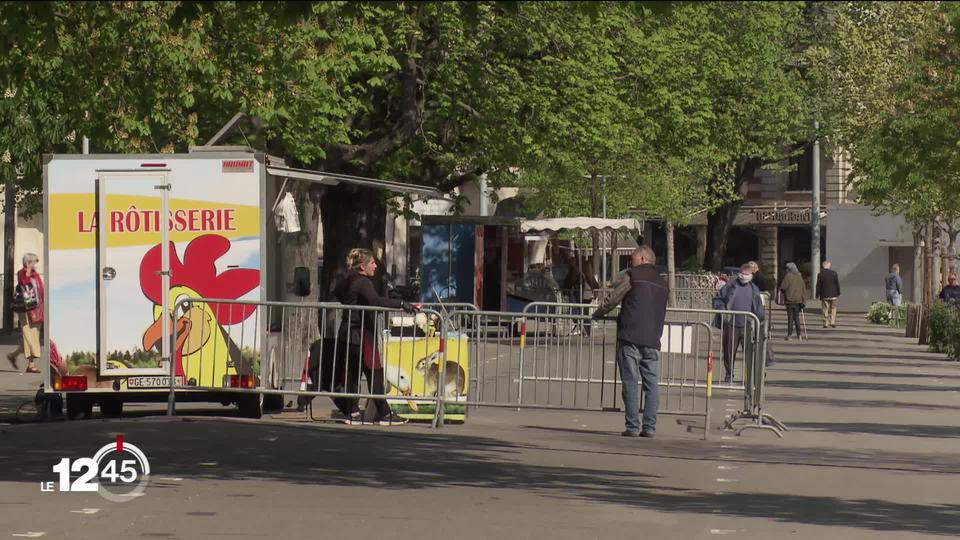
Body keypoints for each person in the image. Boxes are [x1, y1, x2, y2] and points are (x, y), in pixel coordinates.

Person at [334, 248, 416, 425]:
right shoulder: (363, 282)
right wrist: (401, 304)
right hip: (362, 334)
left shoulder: (348, 279)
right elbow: (376, 301)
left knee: (352, 374)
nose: (375, 266)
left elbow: (338, 292)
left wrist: (354, 303)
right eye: (372, 263)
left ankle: (353, 413)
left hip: (347, 333)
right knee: (375, 373)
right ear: (363, 266)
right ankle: (385, 414)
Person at [592, 246, 667, 439]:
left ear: (642, 258)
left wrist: (598, 314)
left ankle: (633, 426)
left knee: (631, 382)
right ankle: (650, 427)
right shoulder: (662, 282)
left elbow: (613, 299)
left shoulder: (633, 276)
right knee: (651, 384)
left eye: (632, 259)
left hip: (631, 335)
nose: (630, 263)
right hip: (652, 338)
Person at [713, 263, 765, 382]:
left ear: (751, 275)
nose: (744, 276)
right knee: (729, 351)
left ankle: (752, 376)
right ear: (739, 274)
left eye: (747, 274)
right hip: (732, 324)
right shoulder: (730, 286)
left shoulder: (754, 288)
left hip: (748, 325)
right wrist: (721, 310)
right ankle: (729, 375)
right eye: (742, 274)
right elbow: (718, 299)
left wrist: (761, 322)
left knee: (750, 352)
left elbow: (759, 307)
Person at [7, 253, 44, 373]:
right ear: (28, 263)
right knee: (29, 336)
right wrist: (28, 269)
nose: (35, 265)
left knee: (33, 336)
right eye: (33, 262)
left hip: (37, 309)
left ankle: (13, 355)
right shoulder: (22, 273)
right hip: (26, 310)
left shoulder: (35, 274)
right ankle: (31, 364)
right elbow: (24, 282)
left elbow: (41, 291)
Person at [780, 262, 806, 340]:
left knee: (790, 318)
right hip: (798, 301)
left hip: (789, 301)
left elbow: (783, 287)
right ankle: (799, 335)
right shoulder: (800, 276)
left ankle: (790, 335)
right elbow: (803, 289)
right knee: (797, 318)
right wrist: (803, 301)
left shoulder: (788, 276)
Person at [816, 260, 841, 328]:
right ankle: (832, 322)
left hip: (824, 294)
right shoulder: (834, 273)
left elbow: (818, 285)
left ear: (823, 266)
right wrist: (838, 292)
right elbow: (837, 284)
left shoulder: (820, 274)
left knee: (825, 308)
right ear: (829, 266)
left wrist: (817, 294)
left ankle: (826, 323)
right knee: (833, 308)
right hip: (833, 294)